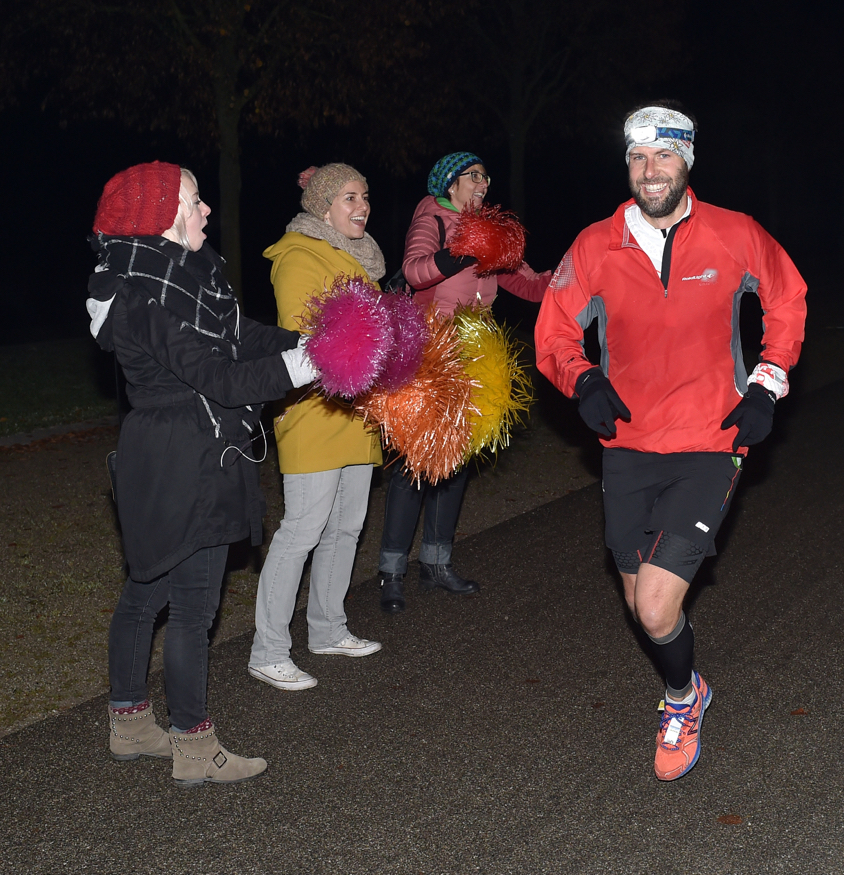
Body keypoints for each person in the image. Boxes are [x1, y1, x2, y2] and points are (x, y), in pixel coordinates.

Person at [534, 104, 807, 781]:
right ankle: (690, 682)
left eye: (663, 156)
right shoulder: (596, 244)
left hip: (711, 439)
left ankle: (681, 700)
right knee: (638, 604)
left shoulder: (734, 233)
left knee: (657, 604)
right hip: (626, 443)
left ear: (687, 160)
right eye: (637, 158)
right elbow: (553, 330)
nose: (649, 171)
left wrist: (767, 384)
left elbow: (789, 296)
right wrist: (583, 379)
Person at [88, 161, 317, 785]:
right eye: (194, 201)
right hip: (188, 455)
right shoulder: (147, 299)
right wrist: (306, 366)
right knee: (190, 605)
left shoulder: (178, 283)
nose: (207, 211)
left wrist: (309, 339)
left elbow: (241, 338)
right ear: (160, 217)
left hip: (170, 452)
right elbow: (221, 379)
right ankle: (194, 747)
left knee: (148, 592)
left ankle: (131, 724)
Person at [374, 151, 551, 612]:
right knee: (415, 464)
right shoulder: (431, 218)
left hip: (475, 356)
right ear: (450, 183)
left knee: (457, 462)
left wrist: (573, 275)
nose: (484, 183)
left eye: (487, 177)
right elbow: (414, 272)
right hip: (429, 357)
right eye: (475, 176)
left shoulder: (488, 230)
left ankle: (436, 565)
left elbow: (528, 284)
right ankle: (390, 573)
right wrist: (459, 252)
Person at [247, 164, 386, 691]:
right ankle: (268, 650)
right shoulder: (298, 256)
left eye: (365, 195)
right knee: (302, 529)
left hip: (357, 409)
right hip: (313, 409)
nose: (362, 205)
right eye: (350, 196)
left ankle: (328, 628)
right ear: (323, 206)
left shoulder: (360, 257)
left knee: (347, 526)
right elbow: (308, 338)